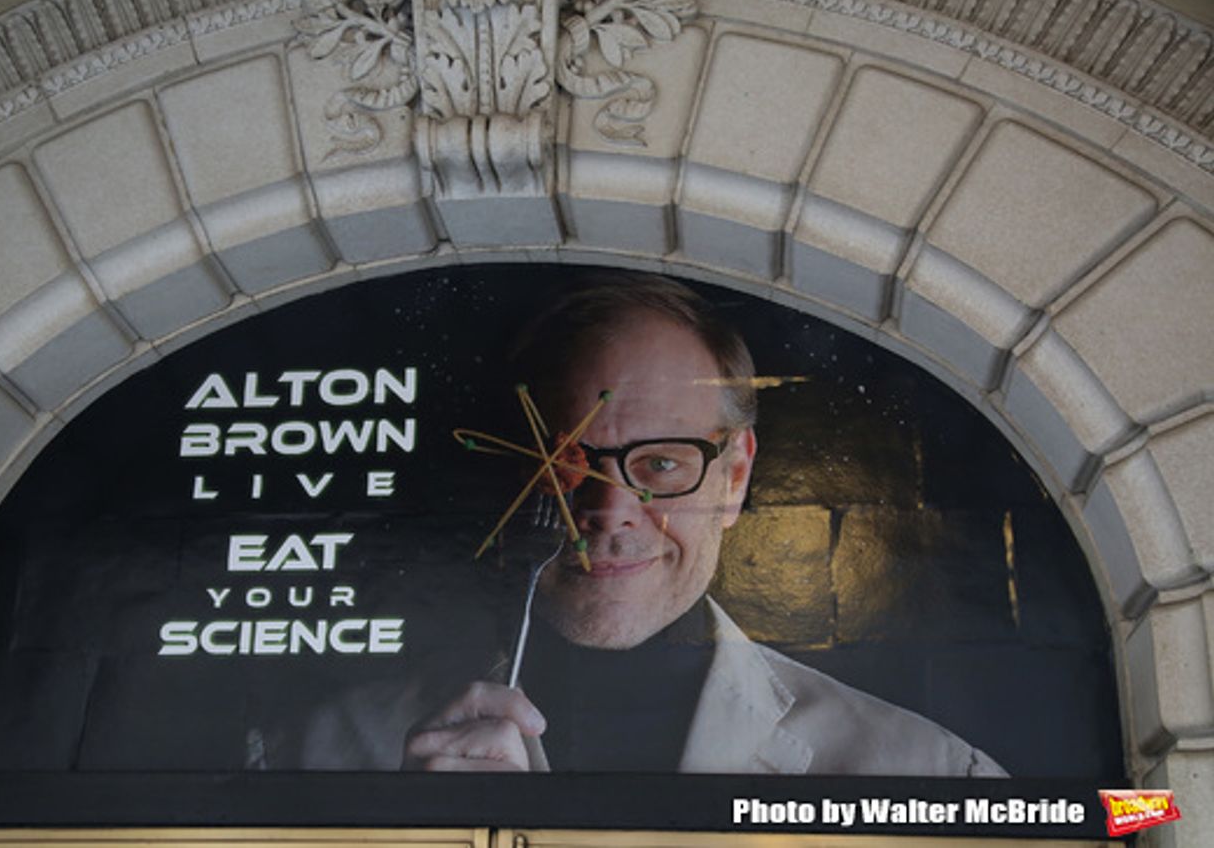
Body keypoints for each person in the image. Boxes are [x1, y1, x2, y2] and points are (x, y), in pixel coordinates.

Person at [302, 274, 1005, 777]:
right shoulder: (318, 751)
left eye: (663, 464)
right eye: (566, 460)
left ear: (734, 478)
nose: (608, 514)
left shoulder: (928, 774)